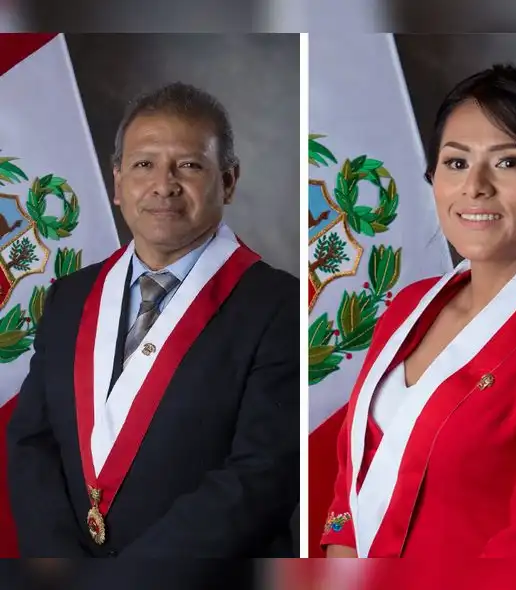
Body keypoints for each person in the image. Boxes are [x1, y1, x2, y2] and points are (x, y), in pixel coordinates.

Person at [321, 64, 516, 558]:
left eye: (508, 162)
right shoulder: (407, 305)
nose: (475, 187)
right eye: (456, 162)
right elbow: (350, 483)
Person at [6, 82, 298, 557]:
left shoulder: (277, 305)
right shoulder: (70, 297)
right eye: (144, 165)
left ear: (228, 181)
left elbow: (257, 481)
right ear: (118, 182)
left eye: (188, 165)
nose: (164, 185)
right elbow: (32, 445)